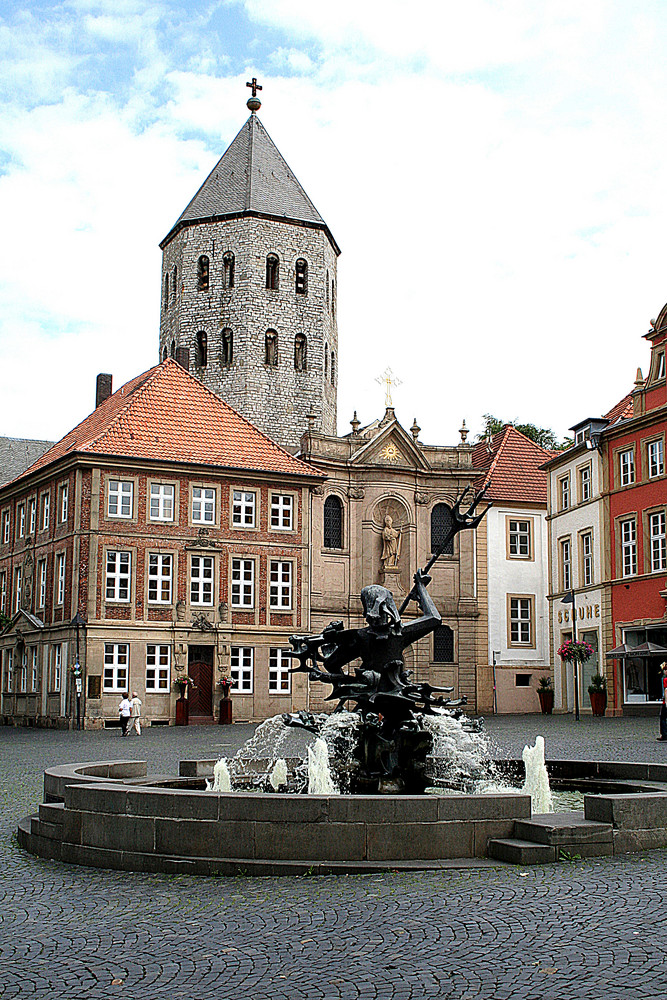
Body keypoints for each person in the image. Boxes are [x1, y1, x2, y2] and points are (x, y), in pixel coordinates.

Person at [658, 663, 667, 741]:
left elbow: (666, 691)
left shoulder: (665, 679)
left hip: (666, 702)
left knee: (663, 718)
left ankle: (664, 734)